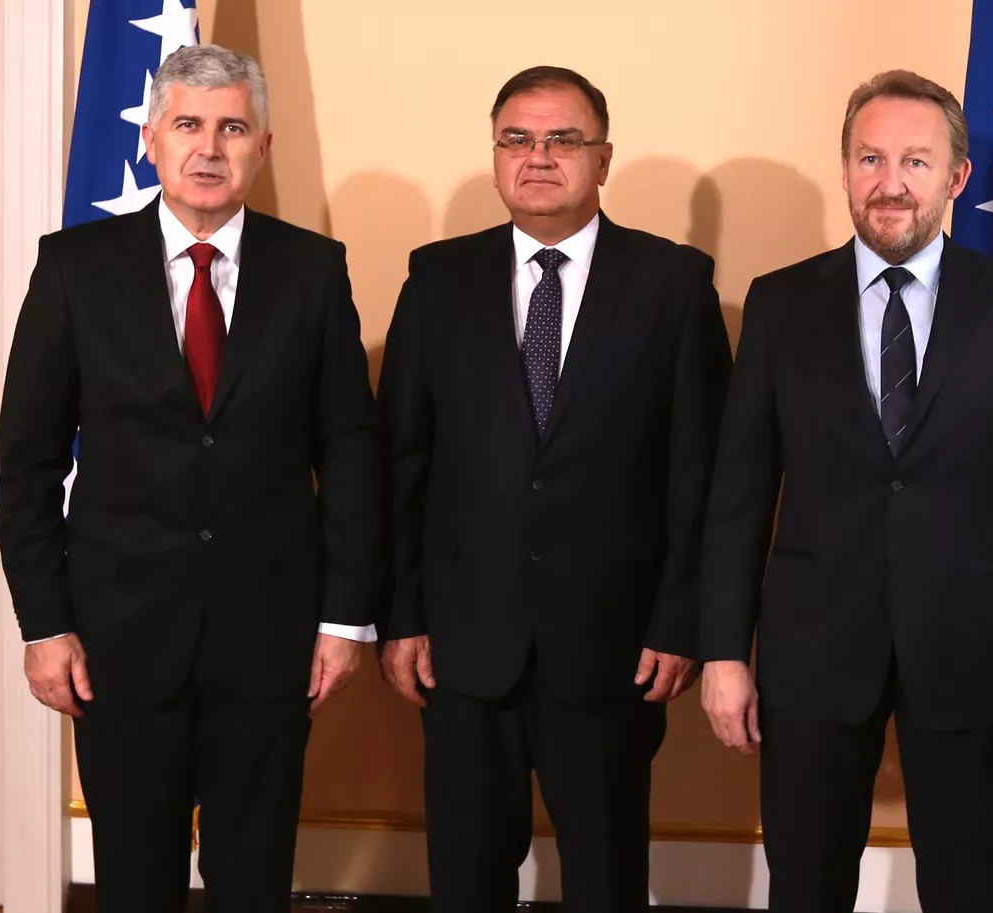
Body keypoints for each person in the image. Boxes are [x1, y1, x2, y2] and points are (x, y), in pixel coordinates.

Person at [699, 70, 993, 913]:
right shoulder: (778, 305)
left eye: (915, 161)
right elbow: (737, 498)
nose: (890, 183)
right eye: (870, 158)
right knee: (805, 887)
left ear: (955, 177)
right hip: (811, 659)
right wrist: (724, 653)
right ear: (844, 169)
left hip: (973, 659)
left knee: (967, 890)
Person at [0, 45, 382, 913]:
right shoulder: (74, 267)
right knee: (136, 878)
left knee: (254, 876)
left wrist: (343, 616)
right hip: (118, 638)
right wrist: (45, 622)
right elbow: (27, 461)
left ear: (262, 147)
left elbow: (349, 451)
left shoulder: (313, 270)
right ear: (150, 140)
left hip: (273, 636)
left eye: (232, 127)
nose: (209, 147)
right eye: (188, 125)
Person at [376, 66, 732, 912]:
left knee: (606, 878)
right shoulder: (436, 279)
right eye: (517, 139)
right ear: (496, 154)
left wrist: (679, 621)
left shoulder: (674, 285)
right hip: (462, 647)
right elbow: (400, 464)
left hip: (615, 648)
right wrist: (401, 614)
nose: (537, 157)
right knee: (466, 878)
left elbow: (703, 477)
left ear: (602, 158)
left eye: (562, 140)